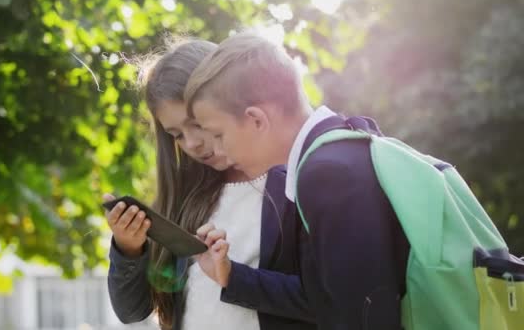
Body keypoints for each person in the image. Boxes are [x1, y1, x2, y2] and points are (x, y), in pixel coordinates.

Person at [184, 32, 410, 330]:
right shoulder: (340, 150)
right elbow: (324, 298)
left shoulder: (328, 175)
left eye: (218, 135)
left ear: (256, 120)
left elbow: (364, 317)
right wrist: (233, 277)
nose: (219, 151)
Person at [105, 37, 315, 330]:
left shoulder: (293, 183)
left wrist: (233, 276)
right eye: (176, 134)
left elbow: (324, 298)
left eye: (198, 124)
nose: (191, 143)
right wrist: (129, 249)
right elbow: (132, 311)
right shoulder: (186, 198)